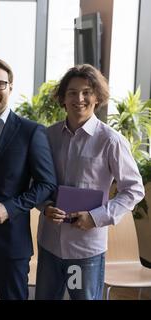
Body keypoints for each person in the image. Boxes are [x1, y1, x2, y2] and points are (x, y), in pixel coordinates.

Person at [35, 64, 145, 300]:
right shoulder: (47, 136)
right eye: (72, 92)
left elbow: (133, 189)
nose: (79, 98)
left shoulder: (111, 141)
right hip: (49, 244)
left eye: (86, 92)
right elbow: (36, 181)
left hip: (84, 250)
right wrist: (44, 207)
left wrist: (96, 217)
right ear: (63, 98)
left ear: (97, 97)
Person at [0, 58, 57, 300]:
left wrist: (10, 208)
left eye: (0, 84)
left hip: (11, 239)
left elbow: (47, 185)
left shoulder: (31, 131)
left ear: (10, 87)